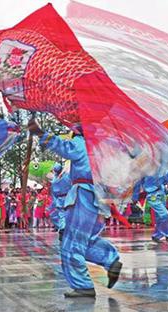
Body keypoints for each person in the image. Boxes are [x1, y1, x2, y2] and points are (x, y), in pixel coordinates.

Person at [28, 119, 121, 298]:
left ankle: (83, 284)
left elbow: (63, 146)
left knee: (72, 243)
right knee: (84, 240)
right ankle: (110, 259)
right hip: (98, 198)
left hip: (83, 197)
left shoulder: (80, 144)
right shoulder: (99, 149)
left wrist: (40, 133)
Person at [132, 170, 168, 243]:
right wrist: (135, 197)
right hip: (152, 195)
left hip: (162, 193)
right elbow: (137, 183)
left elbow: (165, 181)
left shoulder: (161, 167)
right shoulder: (144, 168)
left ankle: (156, 236)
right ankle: (167, 235)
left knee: (159, 217)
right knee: (165, 214)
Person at [48, 163, 71, 238]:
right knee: (68, 215)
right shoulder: (67, 176)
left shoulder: (55, 180)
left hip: (60, 199)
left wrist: (53, 204)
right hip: (69, 198)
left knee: (61, 215)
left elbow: (53, 193)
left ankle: (62, 228)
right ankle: (64, 229)